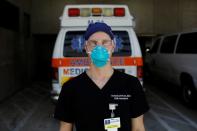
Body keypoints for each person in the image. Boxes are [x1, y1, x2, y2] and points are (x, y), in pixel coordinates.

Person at [54, 22, 149, 131]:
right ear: (86, 47)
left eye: (105, 42)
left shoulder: (131, 84)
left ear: (113, 46)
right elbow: (65, 129)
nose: (99, 47)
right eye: (93, 43)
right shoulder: (70, 88)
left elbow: (138, 128)